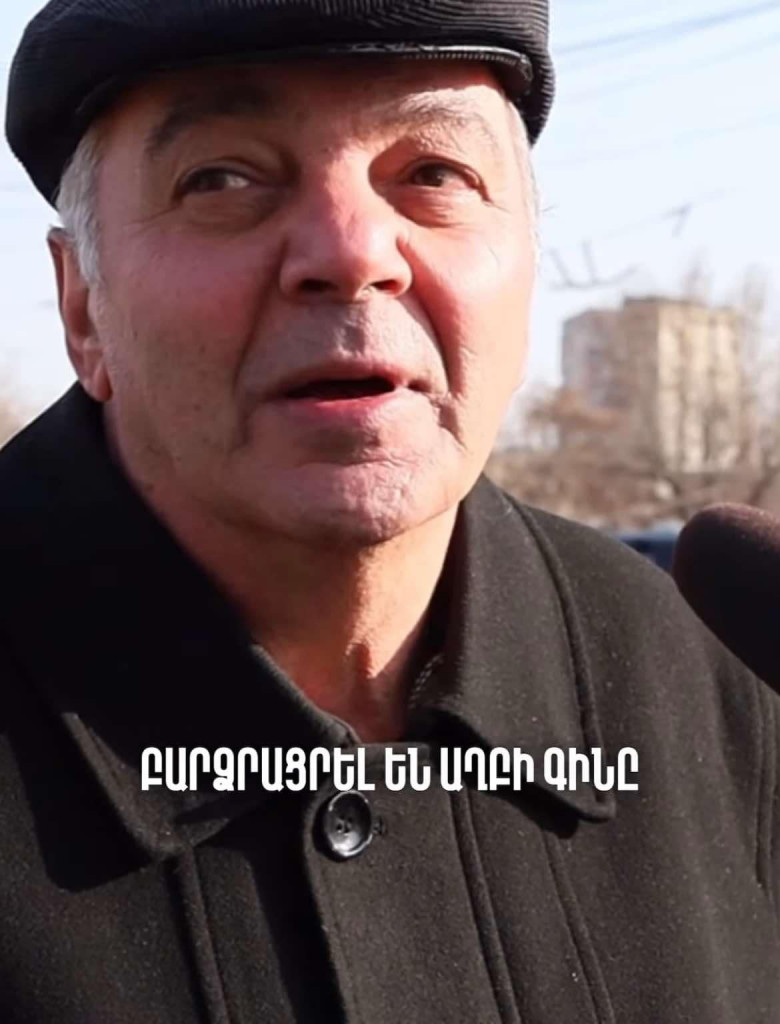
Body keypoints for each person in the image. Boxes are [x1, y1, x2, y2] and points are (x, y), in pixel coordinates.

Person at [1, 1, 778, 1021]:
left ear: (529, 263)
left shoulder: (716, 678)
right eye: (221, 179)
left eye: (436, 174)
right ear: (81, 308)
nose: (354, 251)